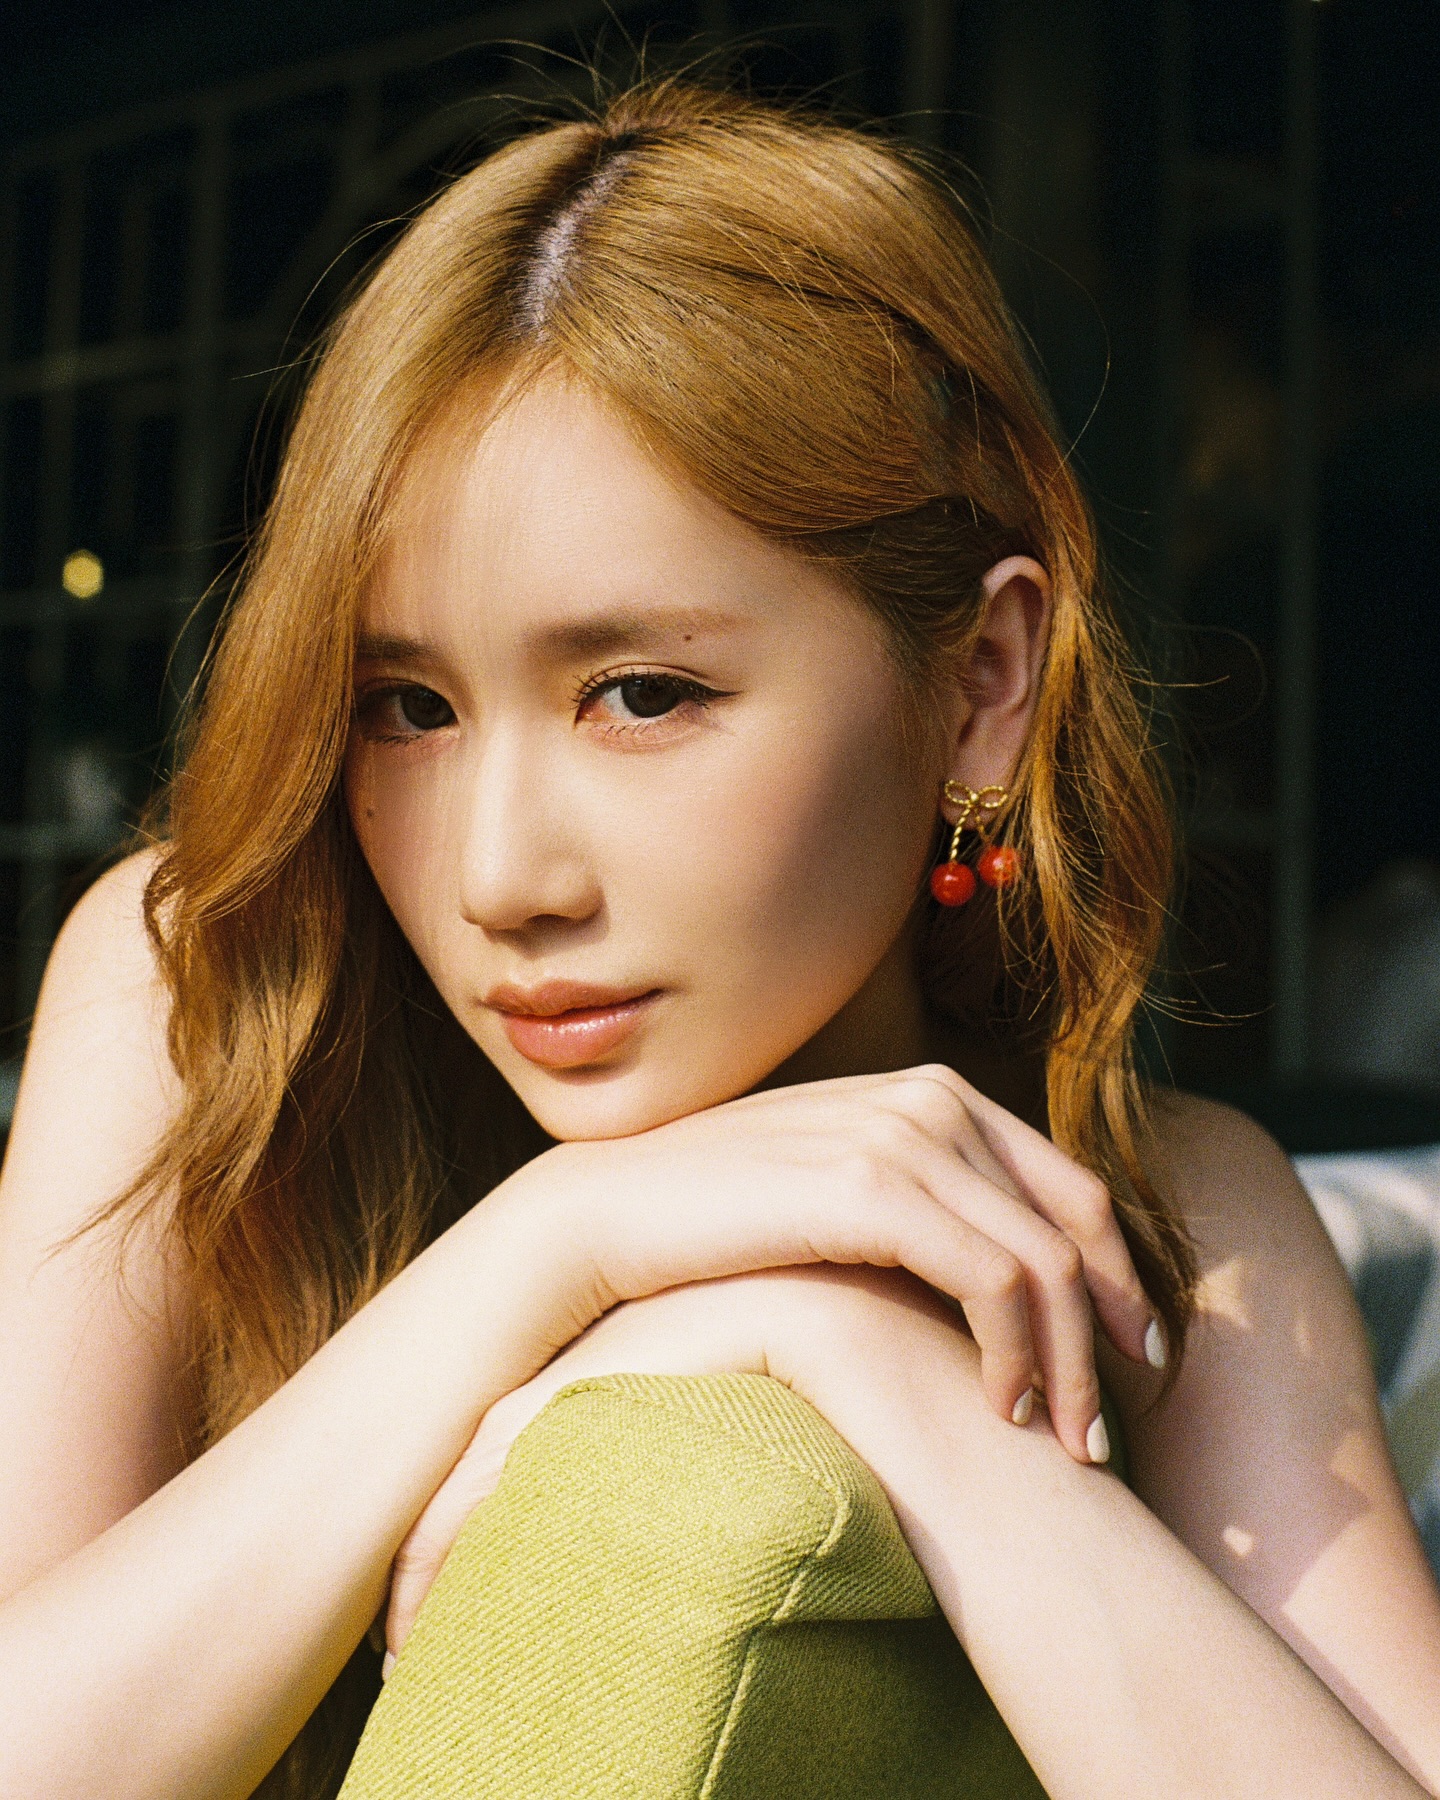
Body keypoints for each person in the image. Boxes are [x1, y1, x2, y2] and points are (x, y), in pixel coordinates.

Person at [1, 80, 1437, 1800]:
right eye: (407, 706)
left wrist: (893, 1382)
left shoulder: (1170, 1218)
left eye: (642, 694)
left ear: (982, 683)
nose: (500, 879)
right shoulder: (204, 996)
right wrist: (556, 1246)